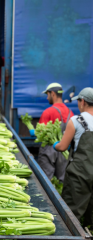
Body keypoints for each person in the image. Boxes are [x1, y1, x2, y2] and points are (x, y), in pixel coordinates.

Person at [54, 87, 93, 228]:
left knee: (71, 214)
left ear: (82, 101)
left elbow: (63, 147)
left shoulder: (76, 120)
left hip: (79, 175)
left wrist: (55, 145)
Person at [31, 83, 74, 182]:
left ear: (53, 94)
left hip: (48, 151)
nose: (47, 98)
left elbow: (40, 133)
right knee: (63, 182)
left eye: (47, 94)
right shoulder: (70, 112)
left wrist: (34, 132)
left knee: (46, 181)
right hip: (64, 151)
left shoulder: (48, 112)